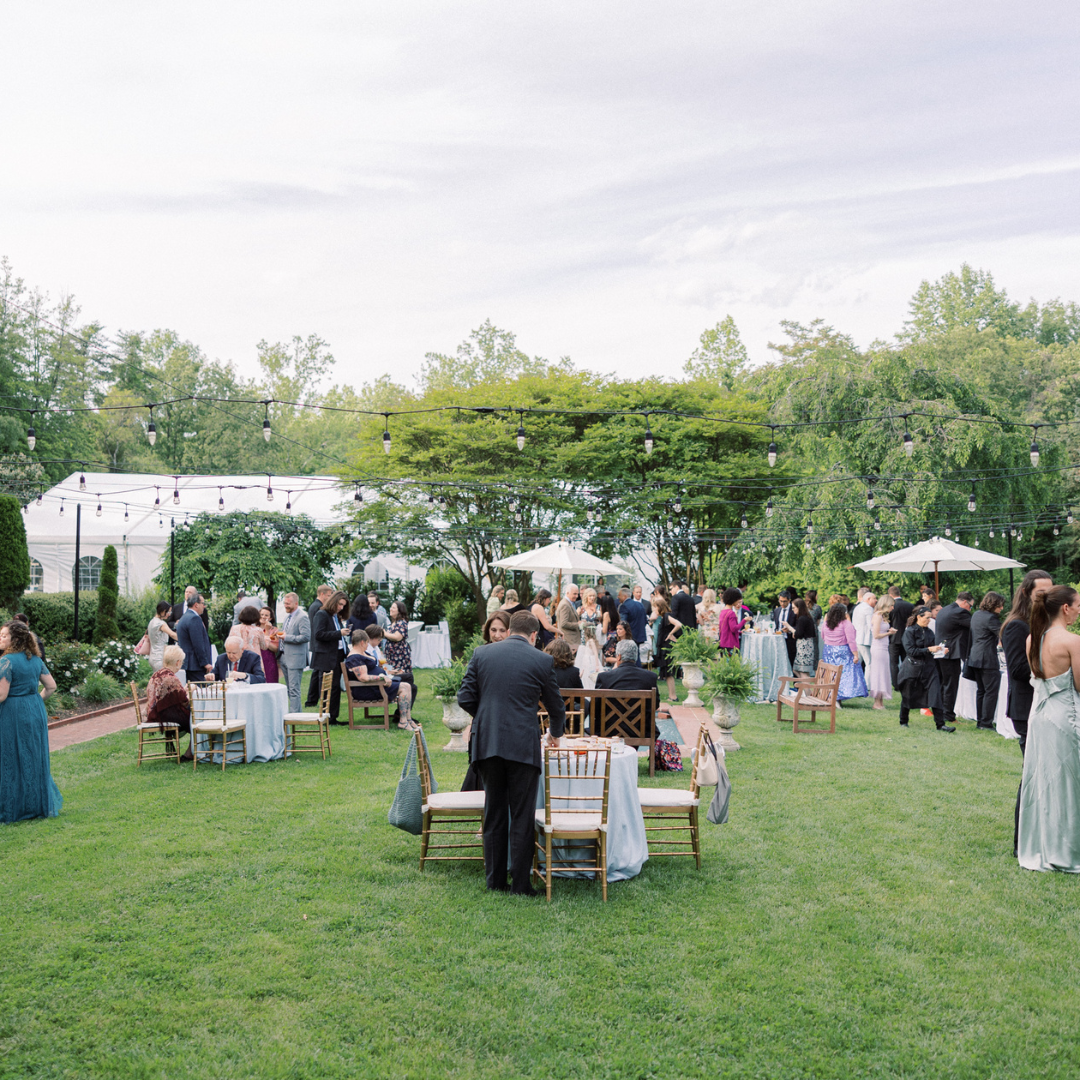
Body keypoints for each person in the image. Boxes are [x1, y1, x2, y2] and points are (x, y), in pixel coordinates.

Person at [457, 610, 565, 896]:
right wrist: (554, 735)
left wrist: (485, 717)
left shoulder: (482, 654)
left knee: (493, 812)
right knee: (521, 814)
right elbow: (556, 707)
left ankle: (494, 881)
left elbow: (464, 697)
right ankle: (520, 884)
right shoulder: (542, 659)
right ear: (534, 635)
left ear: (510, 629)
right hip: (522, 745)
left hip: (488, 743)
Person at [1017, 586, 1080, 872]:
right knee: (1070, 783)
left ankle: (1044, 845)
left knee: (1045, 782)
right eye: (1078, 605)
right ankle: (1068, 849)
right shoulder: (1072, 641)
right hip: (1065, 716)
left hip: (1040, 716)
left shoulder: (1033, 638)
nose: (1078, 611)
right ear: (1066, 608)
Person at [1001, 569, 1054, 853]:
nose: (1046, 598)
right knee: (1032, 774)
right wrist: (1059, 669)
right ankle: (1021, 841)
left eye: (1050, 593)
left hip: (1045, 705)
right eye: (1040, 594)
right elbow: (1019, 670)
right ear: (1026, 593)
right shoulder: (1017, 626)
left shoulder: (1043, 621)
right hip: (1026, 708)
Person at [0, 619, 61, 822]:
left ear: (15, 639)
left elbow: (1, 695)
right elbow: (51, 686)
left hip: (13, 712)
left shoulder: (6, 661)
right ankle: (35, 805)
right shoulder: (35, 659)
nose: (0, 638)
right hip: (35, 710)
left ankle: (14, 808)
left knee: (11, 757)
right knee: (33, 756)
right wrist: (35, 700)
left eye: (4, 636)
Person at [344, 630, 416, 730]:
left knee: (407, 686)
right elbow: (363, 677)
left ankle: (407, 719)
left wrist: (388, 672)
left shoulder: (362, 653)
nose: (367, 645)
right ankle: (403, 722)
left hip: (376, 685)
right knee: (404, 687)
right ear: (362, 642)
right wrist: (382, 678)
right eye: (367, 642)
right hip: (368, 689)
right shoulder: (354, 658)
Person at [897, 605, 954, 731]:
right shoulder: (910, 632)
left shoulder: (929, 632)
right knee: (907, 695)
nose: (929, 620)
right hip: (912, 668)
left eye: (930, 618)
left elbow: (931, 650)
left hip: (929, 668)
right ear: (919, 617)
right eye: (927, 618)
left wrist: (940, 651)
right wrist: (929, 649)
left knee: (936, 695)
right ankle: (903, 721)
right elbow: (911, 651)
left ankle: (940, 724)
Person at [595, 639, 660, 738]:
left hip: (609, 730)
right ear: (635, 656)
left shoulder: (604, 677)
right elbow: (655, 704)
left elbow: (595, 707)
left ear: (619, 656)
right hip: (640, 730)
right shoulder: (650, 677)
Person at [965, 592, 1006, 731]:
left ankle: (980, 721)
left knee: (981, 690)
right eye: (1000, 605)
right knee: (991, 691)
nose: (1001, 608)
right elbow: (1003, 634)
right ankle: (986, 723)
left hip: (975, 656)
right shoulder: (991, 618)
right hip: (987, 658)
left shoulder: (976, 615)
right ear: (993, 604)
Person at [310, 590, 350, 724]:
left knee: (335, 688)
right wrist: (339, 633)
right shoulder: (322, 614)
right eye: (340, 604)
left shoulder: (336, 616)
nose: (341, 608)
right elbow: (318, 634)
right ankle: (327, 717)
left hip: (338, 655)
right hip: (326, 657)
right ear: (333, 601)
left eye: (343, 605)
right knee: (327, 688)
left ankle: (333, 717)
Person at [935, 592, 973, 727]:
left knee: (943, 684)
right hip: (951, 653)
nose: (970, 610)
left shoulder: (944, 610)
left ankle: (940, 711)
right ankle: (949, 715)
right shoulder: (960, 612)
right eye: (970, 606)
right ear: (965, 602)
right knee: (951, 685)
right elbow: (975, 626)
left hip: (940, 651)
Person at [147, 644, 192, 758]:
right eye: (181, 662)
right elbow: (184, 701)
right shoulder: (171, 678)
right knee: (196, 719)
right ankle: (191, 752)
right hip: (165, 716)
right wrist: (189, 691)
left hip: (155, 713)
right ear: (177, 662)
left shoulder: (156, 674)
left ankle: (192, 751)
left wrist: (183, 690)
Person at [822, 603, 867, 701]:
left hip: (828, 651)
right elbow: (851, 640)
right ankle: (839, 696)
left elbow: (823, 636)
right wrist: (855, 655)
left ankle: (831, 696)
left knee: (831, 674)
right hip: (842, 651)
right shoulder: (846, 624)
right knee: (844, 674)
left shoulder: (826, 623)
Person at [383, 600, 418, 718]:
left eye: (393, 608)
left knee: (406, 681)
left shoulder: (402, 622)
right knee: (400, 682)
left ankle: (402, 712)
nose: (391, 609)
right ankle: (401, 713)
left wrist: (384, 633)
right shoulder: (391, 624)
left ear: (399, 611)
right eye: (391, 607)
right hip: (391, 658)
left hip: (400, 657)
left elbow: (397, 637)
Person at [277, 592, 310, 713]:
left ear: (296, 603)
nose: (286, 605)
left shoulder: (302, 617)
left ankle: (294, 715)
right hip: (284, 657)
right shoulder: (287, 617)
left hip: (295, 659)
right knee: (289, 689)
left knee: (294, 689)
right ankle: (297, 714)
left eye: (288, 603)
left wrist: (287, 637)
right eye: (285, 603)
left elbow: (306, 637)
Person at [304, 585, 333, 706]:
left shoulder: (313, 606)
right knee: (319, 673)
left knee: (316, 673)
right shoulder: (318, 607)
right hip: (318, 644)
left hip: (315, 644)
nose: (330, 598)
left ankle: (311, 700)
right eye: (329, 595)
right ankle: (316, 699)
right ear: (322, 594)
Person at [651, 595, 683, 704]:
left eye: (655, 607)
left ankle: (673, 696)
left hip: (667, 648)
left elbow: (678, 624)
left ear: (660, 607)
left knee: (669, 673)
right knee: (667, 673)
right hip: (664, 648)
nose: (654, 610)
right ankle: (671, 695)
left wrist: (670, 634)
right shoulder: (662, 618)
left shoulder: (667, 616)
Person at [176, 594, 213, 685]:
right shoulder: (194, 618)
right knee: (202, 691)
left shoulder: (184, 617)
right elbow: (198, 644)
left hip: (189, 664)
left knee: (192, 690)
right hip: (196, 665)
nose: (204, 606)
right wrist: (205, 663)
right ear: (196, 605)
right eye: (203, 603)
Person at [869, 595, 896, 709]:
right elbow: (876, 635)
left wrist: (888, 631)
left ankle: (880, 702)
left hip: (884, 647)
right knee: (878, 674)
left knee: (883, 673)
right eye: (891, 605)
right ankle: (877, 702)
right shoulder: (877, 616)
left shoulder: (882, 616)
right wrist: (889, 633)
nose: (892, 608)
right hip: (878, 648)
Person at [575, 587, 603, 686]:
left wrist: (597, 613)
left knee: (594, 654)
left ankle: (594, 673)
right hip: (584, 636)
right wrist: (579, 617)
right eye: (590, 596)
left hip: (595, 635)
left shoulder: (598, 607)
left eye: (593, 596)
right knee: (584, 655)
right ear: (586, 597)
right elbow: (576, 621)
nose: (592, 598)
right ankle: (583, 678)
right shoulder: (581, 608)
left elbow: (601, 620)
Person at [887, 586, 914, 690]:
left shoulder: (890, 606)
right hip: (907, 637)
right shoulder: (910, 605)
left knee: (893, 663)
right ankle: (907, 681)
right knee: (906, 661)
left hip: (893, 638)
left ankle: (896, 684)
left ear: (890, 595)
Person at [718, 587, 751, 653]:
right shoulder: (731, 613)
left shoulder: (723, 611)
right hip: (731, 644)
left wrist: (739, 632)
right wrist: (744, 620)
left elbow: (726, 629)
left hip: (723, 643)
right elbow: (734, 628)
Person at [147, 600, 177, 671]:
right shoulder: (161, 623)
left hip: (153, 656)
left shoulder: (152, 621)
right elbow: (172, 634)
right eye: (169, 612)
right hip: (160, 658)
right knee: (163, 677)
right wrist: (185, 638)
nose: (169, 614)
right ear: (163, 611)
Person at [851, 589, 876, 674]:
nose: (876, 600)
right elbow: (871, 625)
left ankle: (856, 680)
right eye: (874, 598)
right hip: (865, 640)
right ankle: (868, 682)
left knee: (858, 663)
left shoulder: (857, 607)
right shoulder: (868, 609)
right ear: (868, 599)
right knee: (870, 664)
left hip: (858, 638)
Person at [791, 598, 817, 677]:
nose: (792, 610)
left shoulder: (802, 618)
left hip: (804, 648)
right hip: (805, 647)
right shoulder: (807, 617)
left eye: (794, 608)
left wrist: (789, 627)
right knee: (796, 669)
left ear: (799, 607)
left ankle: (806, 685)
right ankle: (804, 685)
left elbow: (798, 634)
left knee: (803, 671)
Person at [618, 586, 648, 651]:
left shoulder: (624, 606)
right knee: (636, 654)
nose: (618, 597)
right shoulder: (640, 605)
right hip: (639, 636)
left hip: (629, 637)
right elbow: (645, 621)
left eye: (619, 595)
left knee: (628, 655)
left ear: (624, 596)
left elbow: (623, 623)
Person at [772, 591, 798, 665]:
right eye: (780, 601)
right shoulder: (777, 611)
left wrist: (789, 630)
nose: (782, 603)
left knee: (790, 661)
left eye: (784, 601)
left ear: (789, 600)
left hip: (790, 641)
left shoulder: (794, 610)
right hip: (778, 640)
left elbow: (799, 625)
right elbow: (776, 625)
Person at [257, 607, 280, 683]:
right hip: (257, 658)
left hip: (269, 660)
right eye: (261, 614)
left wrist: (264, 641)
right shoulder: (254, 629)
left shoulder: (274, 630)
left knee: (271, 681)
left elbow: (275, 649)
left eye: (266, 615)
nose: (263, 617)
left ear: (270, 618)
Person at [556, 585, 582, 650]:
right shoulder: (565, 605)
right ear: (567, 593)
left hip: (572, 641)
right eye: (574, 594)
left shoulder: (569, 603)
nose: (577, 596)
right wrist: (578, 624)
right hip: (569, 641)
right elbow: (563, 623)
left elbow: (570, 618)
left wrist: (578, 614)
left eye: (577, 594)